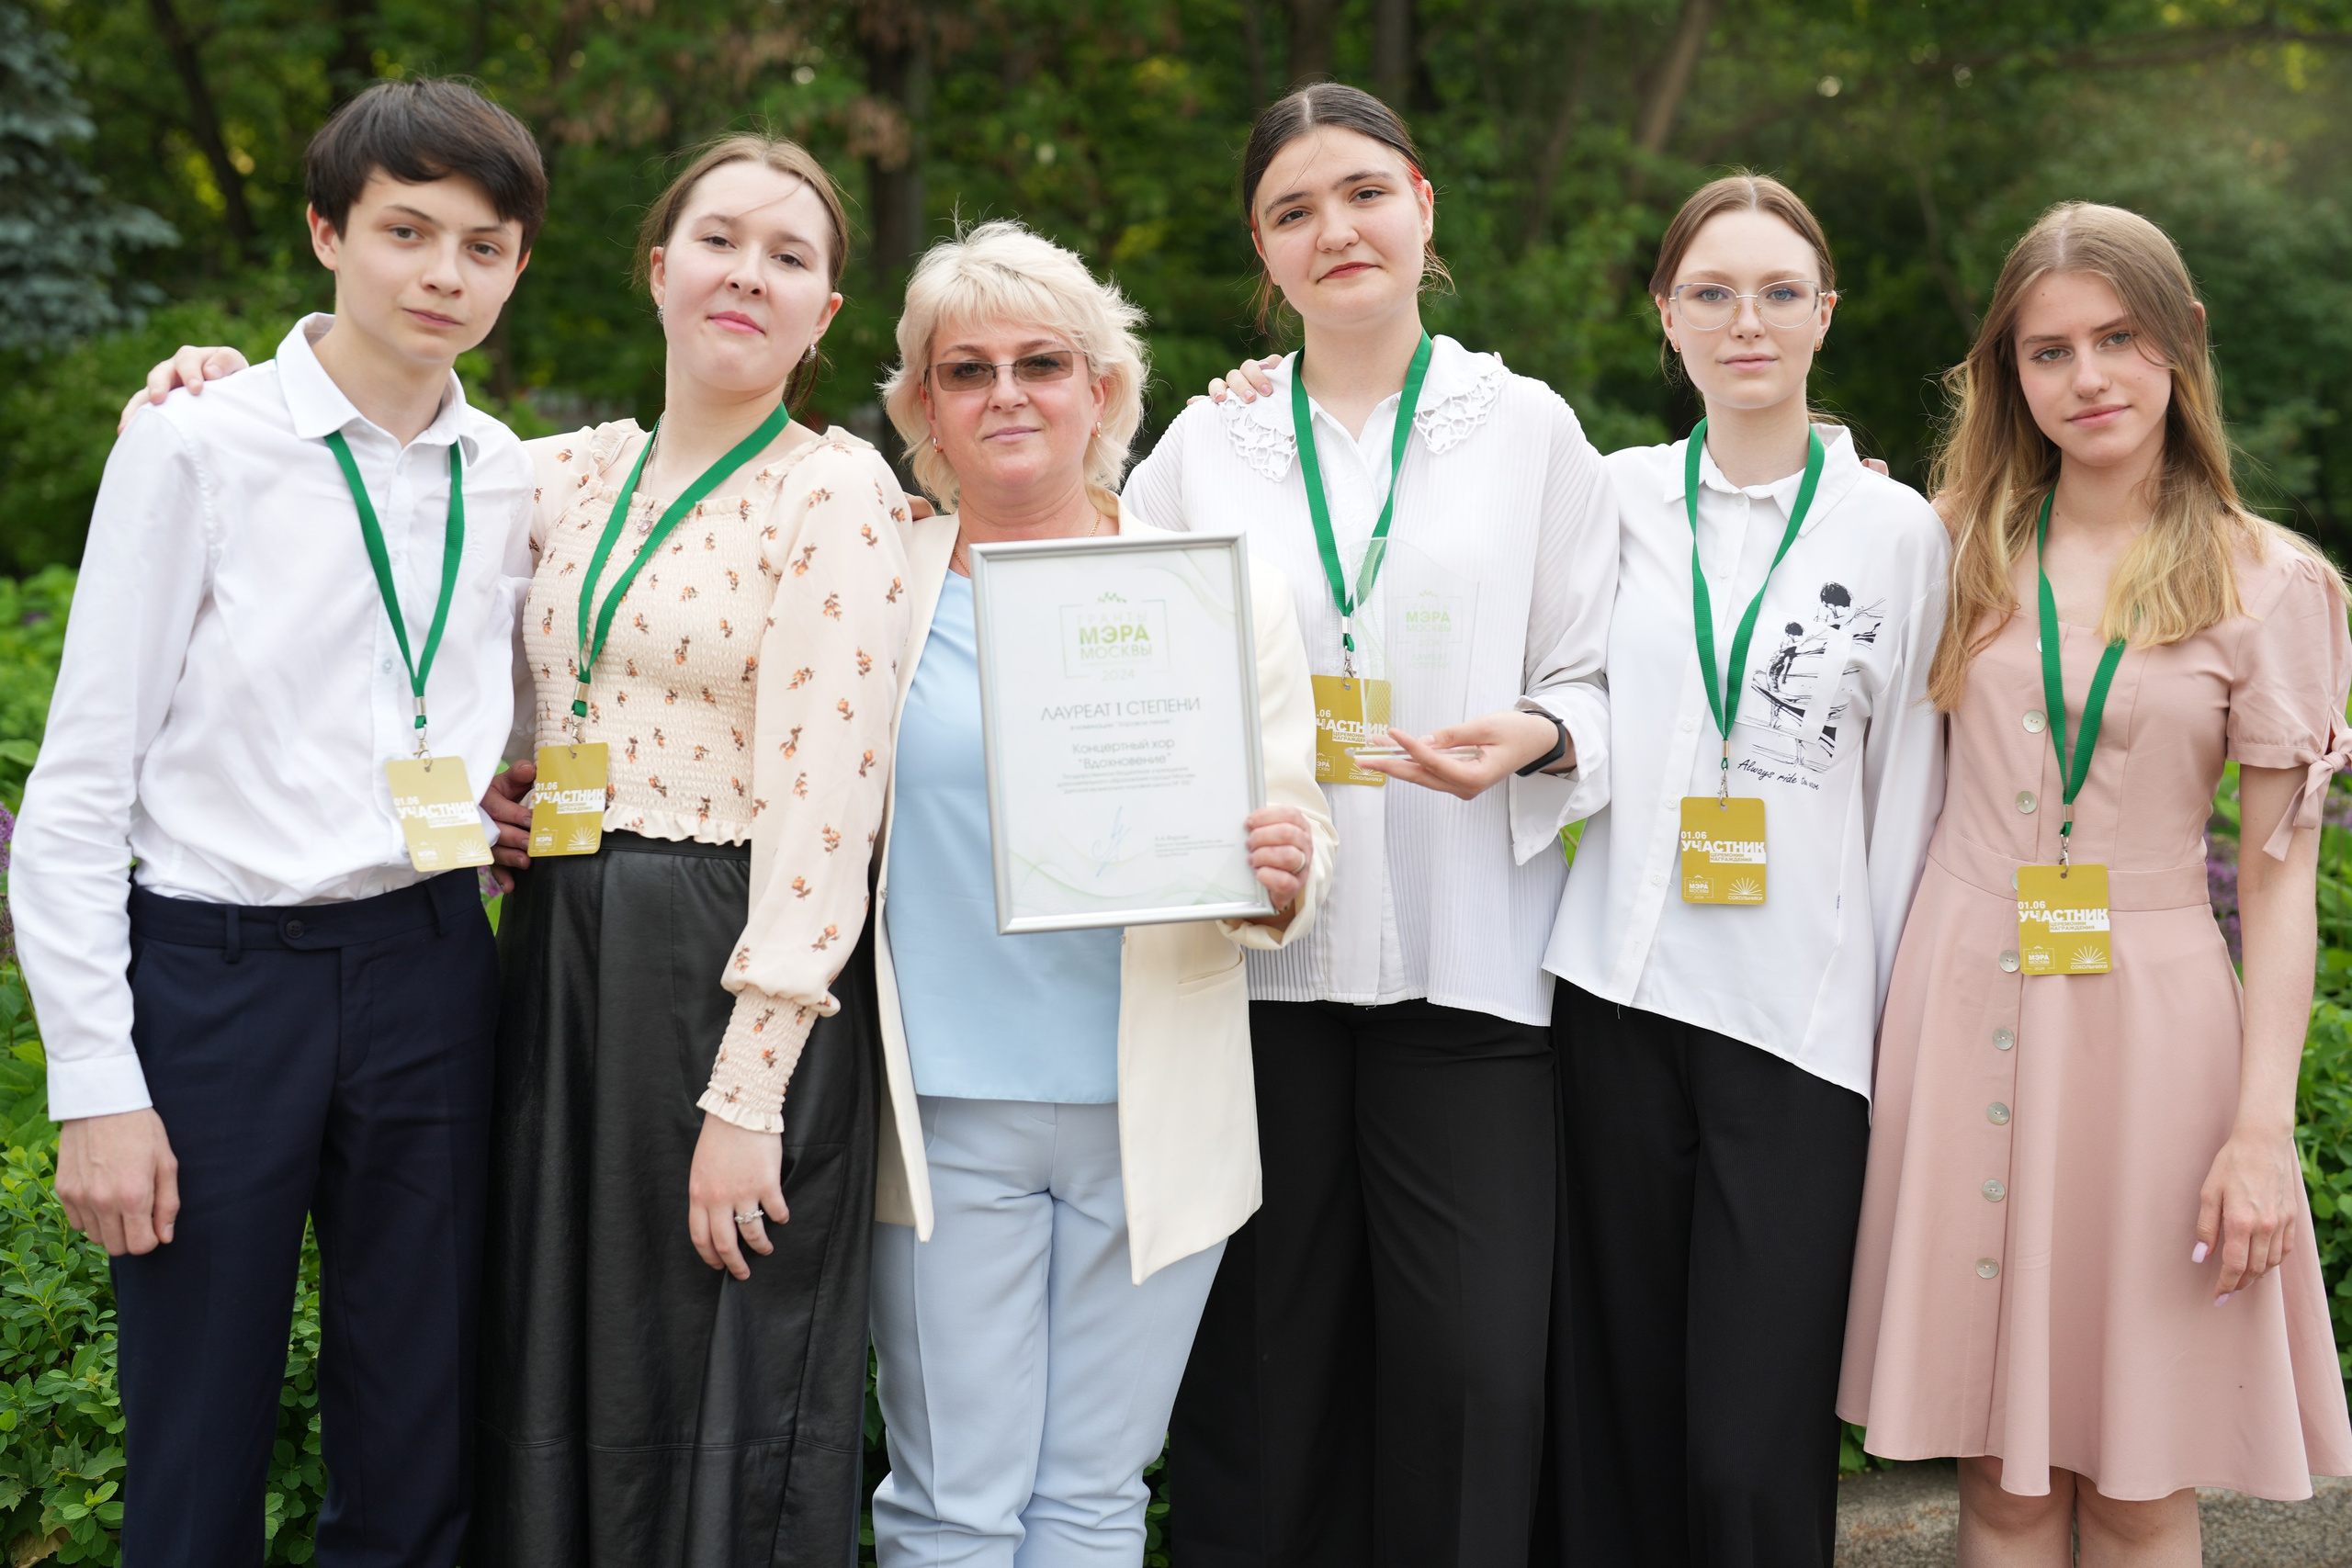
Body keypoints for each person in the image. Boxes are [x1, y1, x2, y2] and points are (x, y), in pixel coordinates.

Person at [127, 132, 914, 1564]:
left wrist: (750, 1093)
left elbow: (830, 812)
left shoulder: (834, 492)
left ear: (825, 319)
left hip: (721, 966)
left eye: (791, 258)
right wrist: (219, 378)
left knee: (709, 1370)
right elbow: (377, 457)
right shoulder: (556, 473)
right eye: (721, 239)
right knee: (548, 1354)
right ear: (657, 267)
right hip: (553, 956)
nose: (750, 273)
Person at [15, 78, 544, 1563]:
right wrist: (93, 1083)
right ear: (326, 231)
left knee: (418, 1421)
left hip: (433, 964)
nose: (446, 274)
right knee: (196, 1427)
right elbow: (76, 788)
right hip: (216, 981)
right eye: (408, 232)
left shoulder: (510, 472)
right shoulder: (196, 444)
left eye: (486, 247)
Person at [1126, 84, 1616, 1567]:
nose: (1333, 229)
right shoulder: (1203, 454)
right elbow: (1133, 686)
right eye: (1292, 211)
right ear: (1261, 256)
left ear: (1420, 206)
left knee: (1473, 1376)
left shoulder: (1527, 429)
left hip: (1469, 974)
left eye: (1359, 194)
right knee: (1267, 1386)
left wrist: (1534, 734)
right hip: (1260, 978)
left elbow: (1596, 672)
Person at [1839, 202, 2352, 1562]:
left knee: (2137, 1486)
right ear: (2009, 372)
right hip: (1958, 1011)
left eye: (2118, 339)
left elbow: (2282, 886)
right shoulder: (1937, 545)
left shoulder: (2271, 581)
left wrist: (2259, 1132)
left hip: (2155, 1040)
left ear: (2183, 343)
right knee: (1998, 1487)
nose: (2088, 380)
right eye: (2049, 351)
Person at [865, 219, 1332, 1568]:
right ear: (926, 412)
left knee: (1093, 1498)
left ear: (1103, 393)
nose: (1008, 392)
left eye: (1043, 362)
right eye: (967, 370)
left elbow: (1292, 806)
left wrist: (1282, 870)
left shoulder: (1213, 590)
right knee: (952, 1501)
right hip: (946, 1111)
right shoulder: (870, 581)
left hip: (1153, 1112)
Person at [1539, 175, 1947, 1567]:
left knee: (1749, 1439)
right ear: (1668, 315)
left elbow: (1914, 793)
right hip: (1616, 998)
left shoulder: (1902, 537)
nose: (1746, 321)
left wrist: (1898, 1030)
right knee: (1613, 1412)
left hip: (1800, 1029)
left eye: (1779, 292)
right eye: (1712, 293)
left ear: (1825, 315)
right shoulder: (1612, 498)